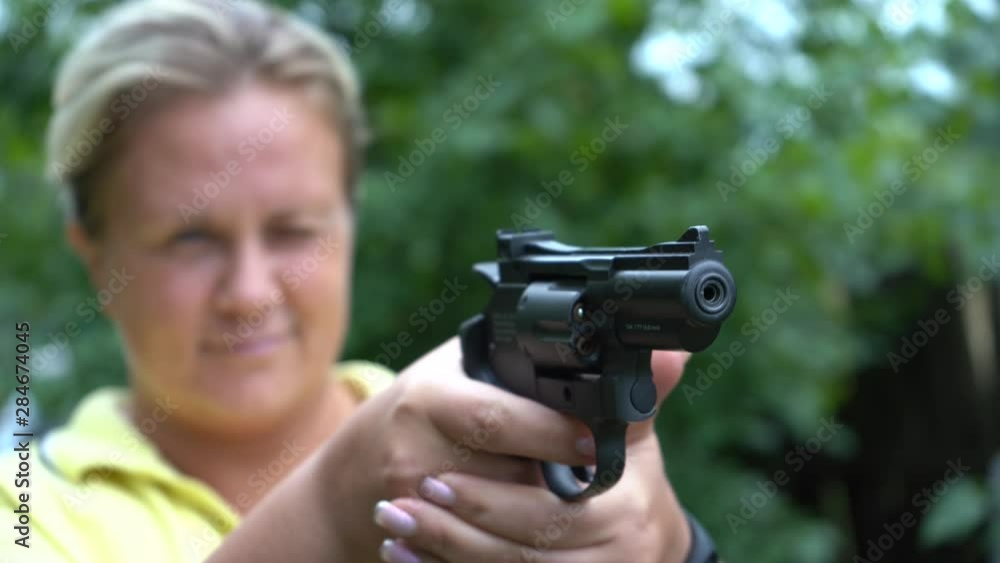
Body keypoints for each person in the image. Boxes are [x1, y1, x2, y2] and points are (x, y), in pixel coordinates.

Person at [0, 0, 718, 561]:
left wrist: (672, 546)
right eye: (190, 238)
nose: (249, 293)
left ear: (350, 224)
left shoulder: (490, 453)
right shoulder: (26, 512)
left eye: (292, 230)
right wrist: (331, 508)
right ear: (96, 258)